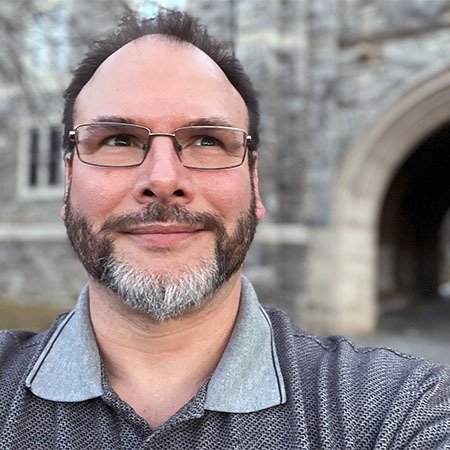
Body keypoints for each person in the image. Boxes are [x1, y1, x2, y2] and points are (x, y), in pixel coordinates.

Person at [1, 9, 449, 449]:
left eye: (207, 141)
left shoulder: (399, 407)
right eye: (118, 140)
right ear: (68, 182)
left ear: (254, 183)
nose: (163, 179)